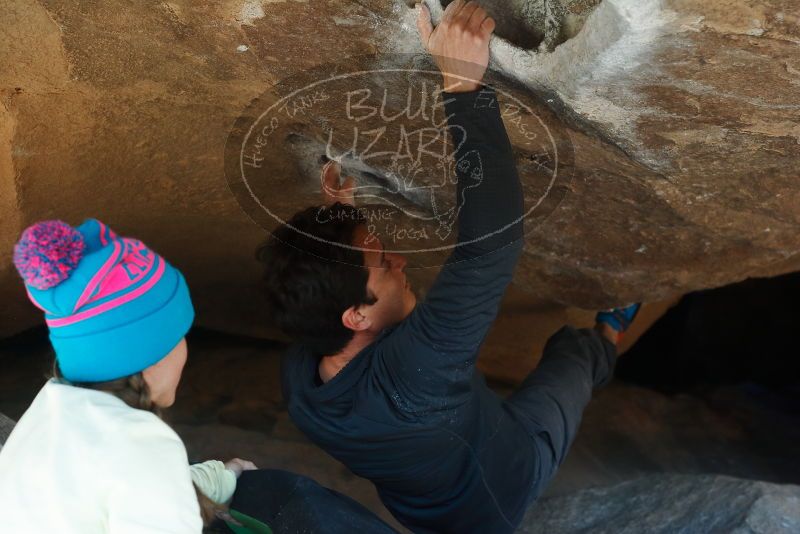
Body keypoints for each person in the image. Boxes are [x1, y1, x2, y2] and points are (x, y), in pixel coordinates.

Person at [257, 1, 641, 533]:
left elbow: (308, 280)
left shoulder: (304, 379)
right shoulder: (417, 375)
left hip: (423, 504)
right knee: (572, 361)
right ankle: (609, 331)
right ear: (356, 317)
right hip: (504, 485)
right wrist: (462, 86)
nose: (399, 259)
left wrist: (337, 215)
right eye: (382, 262)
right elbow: (490, 246)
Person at [0, 219, 256, 532]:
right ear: (150, 358)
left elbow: (126, 486)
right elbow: (139, 469)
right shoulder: (143, 444)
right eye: (182, 335)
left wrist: (219, 477)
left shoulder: (47, 414)